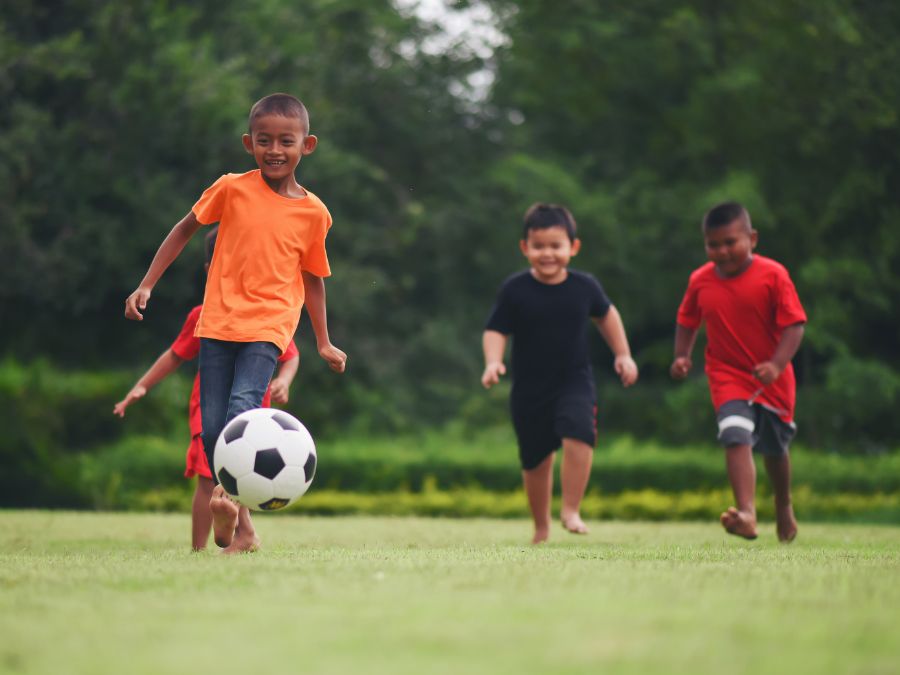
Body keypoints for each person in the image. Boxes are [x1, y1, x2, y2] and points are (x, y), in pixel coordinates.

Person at [124, 93, 347, 554]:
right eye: (264, 140)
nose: (274, 149)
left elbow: (314, 279)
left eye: (286, 140)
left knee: (242, 409)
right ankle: (244, 531)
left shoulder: (313, 213)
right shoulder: (231, 188)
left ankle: (226, 504)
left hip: (269, 326)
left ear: (307, 145)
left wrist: (323, 342)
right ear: (249, 143)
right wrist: (147, 284)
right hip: (217, 323)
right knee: (211, 432)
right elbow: (185, 228)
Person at [114, 227, 300, 552]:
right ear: (209, 271)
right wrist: (141, 386)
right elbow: (174, 355)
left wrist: (284, 380)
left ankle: (240, 536)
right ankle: (207, 548)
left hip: (253, 414)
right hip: (209, 410)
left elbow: (291, 355)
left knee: (231, 473)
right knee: (208, 478)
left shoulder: (265, 315)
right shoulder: (203, 316)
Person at [481, 203, 639, 544]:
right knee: (536, 459)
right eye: (539, 247)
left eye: (556, 246)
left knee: (580, 433)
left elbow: (607, 317)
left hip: (574, 381)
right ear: (525, 248)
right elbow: (495, 329)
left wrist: (623, 355)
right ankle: (541, 527)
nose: (547, 254)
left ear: (573, 247)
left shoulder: (585, 286)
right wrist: (493, 362)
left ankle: (571, 509)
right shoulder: (515, 289)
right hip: (528, 388)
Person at [670, 202, 806, 542]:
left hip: (772, 377)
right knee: (734, 433)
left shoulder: (774, 275)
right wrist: (682, 356)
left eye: (731, 242)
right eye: (713, 244)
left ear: (752, 238)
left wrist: (776, 364)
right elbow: (687, 320)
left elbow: (795, 325)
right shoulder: (700, 280)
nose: (722, 251)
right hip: (726, 374)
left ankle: (783, 505)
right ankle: (746, 513)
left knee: (775, 451)